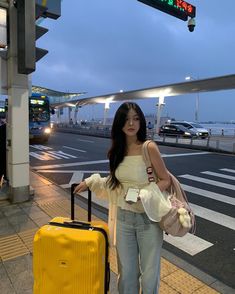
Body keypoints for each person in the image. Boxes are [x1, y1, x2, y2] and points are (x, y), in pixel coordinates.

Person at [74, 102, 171, 294]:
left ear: (141, 122)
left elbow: (165, 180)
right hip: (123, 219)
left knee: (150, 274)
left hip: (148, 220)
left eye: (135, 118)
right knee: (126, 273)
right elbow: (115, 182)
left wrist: (143, 195)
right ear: (119, 123)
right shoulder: (117, 151)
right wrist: (91, 182)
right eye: (126, 119)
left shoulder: (148, 147)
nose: (131, 123)